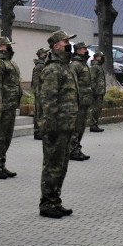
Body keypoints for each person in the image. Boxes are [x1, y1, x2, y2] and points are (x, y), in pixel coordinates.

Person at [37, 30, 79, 218]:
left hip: (66, 125)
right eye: (65, 42)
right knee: (52, 165)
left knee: (61, 165)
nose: (68, 45)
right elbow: (48, 100)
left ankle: (55, 200)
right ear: (55, 46)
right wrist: (50, 126)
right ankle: (46, 203)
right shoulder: (53, 69)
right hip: (55, 126)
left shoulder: (65, 66)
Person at [0, 36, 22, 179]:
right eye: (6, 45)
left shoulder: (10, 63)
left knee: (6, 137)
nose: (9, 47)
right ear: (0, 46)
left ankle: (1, 164)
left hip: (11, 105)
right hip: (2, 106)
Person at [68, 41, 92, 161]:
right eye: (83, 49)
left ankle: (76, 148)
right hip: (79, 101)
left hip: (85, 101)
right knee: (76, 127)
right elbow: (73, 83)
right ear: (78, 50)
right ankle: (72, 150)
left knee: (81, 126)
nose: (85, 51)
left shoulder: (83, 64)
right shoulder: (75, 65)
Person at [32, 48, 48, 140]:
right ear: (40, 55)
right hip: (39, 92)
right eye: (44, 53)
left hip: (42, 92)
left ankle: (41, 130)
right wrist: (39, 92)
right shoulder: (39, 66)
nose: (46, 55)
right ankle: (37, 132)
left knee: (41, 112)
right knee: (39, 112)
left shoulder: (43, 65)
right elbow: (36, 81)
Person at [89, 51, 106, 132]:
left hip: (100, 91)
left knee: (98, 108)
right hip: (96, 91)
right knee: (96, 108)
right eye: (100, 56)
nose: (102, 58)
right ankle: (93, 124)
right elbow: (92, 79)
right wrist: (93, 90)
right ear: (96, 57)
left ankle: (95, 123)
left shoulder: (99, 66)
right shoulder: (95, 66)